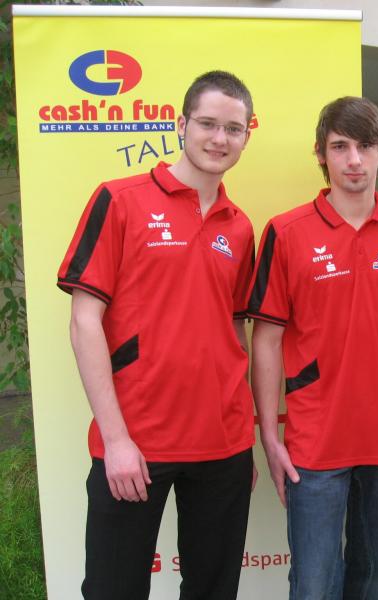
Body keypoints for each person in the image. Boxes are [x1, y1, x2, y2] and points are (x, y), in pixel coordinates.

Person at [58, 70, 256, 600]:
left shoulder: (240, 227)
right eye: (208, 124)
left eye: (233, 129)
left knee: (214, 590)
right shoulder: (120, 200)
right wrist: (116, 440)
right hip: (136, 442)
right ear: (181, 124)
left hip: (223, 444)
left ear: (246, 135)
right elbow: (84, 321)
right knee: (113, 590)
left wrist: (244, 436)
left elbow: (234, 328)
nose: (219, 138)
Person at [247, 96, 378, 600]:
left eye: (365, 147)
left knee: (377, 578)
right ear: (321, 154)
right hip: (315, 440)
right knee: (314, 584)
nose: (354, 160)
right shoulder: (286, 232)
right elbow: (267, 338)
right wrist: (270, 435)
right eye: (340, 146)